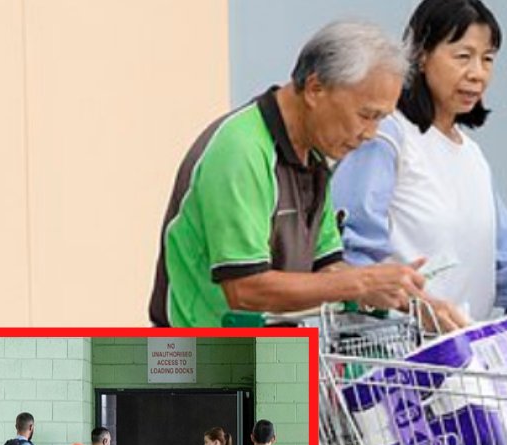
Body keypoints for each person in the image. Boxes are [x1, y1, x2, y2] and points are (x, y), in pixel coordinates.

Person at [149, 19, 432, 327]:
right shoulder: (242, 149)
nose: (371, 134)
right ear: (315, 89)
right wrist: (363, 282)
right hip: (191, 359)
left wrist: (407, 296)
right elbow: (245, 289)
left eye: (381, 119)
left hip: (263, 357)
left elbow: (327, 267)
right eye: (366, 115)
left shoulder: (314, 156)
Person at [331, 0, 507, 331]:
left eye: (487, 59)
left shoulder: (472, 155)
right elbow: (349, 255)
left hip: (461, 359)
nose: (477, 73)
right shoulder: (387, 134)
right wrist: (412, 304)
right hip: (389, 355)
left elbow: (500, 265)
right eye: (463, 56)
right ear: (420, 55)